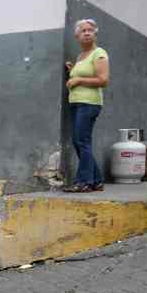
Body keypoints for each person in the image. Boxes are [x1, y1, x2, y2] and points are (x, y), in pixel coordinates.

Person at [64, 18, 110, 193]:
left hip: (89, 103)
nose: (87, 32)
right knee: (80, 142)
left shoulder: (99, 53)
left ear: (95, 33)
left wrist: (78, 79)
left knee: (81, 141)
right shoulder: (81, 57)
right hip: (77, 103)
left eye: (90, 30)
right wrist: (72, 69)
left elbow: (103, 80)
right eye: (83, 30)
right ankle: (96, 180)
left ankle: (83, 182)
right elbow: (83, 72)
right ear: (77, 35)